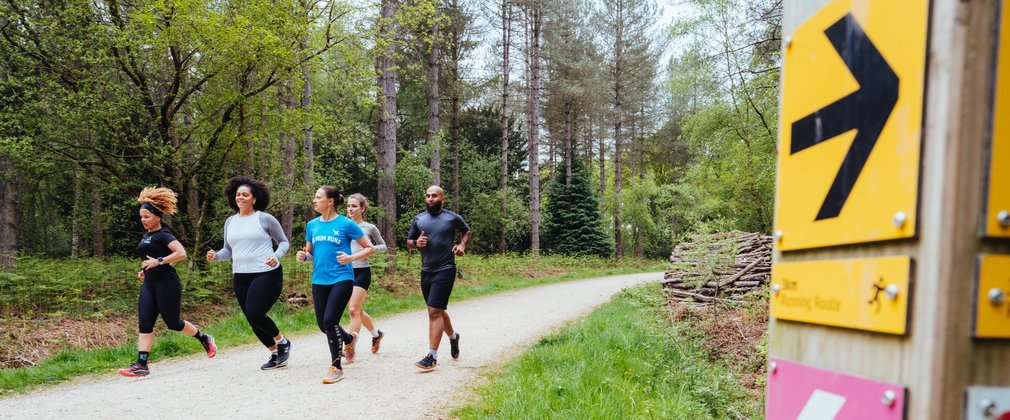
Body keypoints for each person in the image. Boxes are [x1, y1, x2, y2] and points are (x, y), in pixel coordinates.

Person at [119, 187, 217, 377]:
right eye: (141, 216)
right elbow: (149, 258)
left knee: (173, 323)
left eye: (146, 216)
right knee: (145, 323)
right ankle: (141, 364)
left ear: (157, 217)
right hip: (149, 284)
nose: (143, 220)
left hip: (167, 284)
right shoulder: (146, 236)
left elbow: (181, 253)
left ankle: (204, 338)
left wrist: (159, 261)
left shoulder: (164, 234)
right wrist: (144, 271)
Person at [206, 176, 292, 370]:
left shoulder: (264, 218)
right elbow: (228, 250)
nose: (241, 198)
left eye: (245, 195)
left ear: (254, 198)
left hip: (266, 273)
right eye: (238, 195)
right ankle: (274, 353)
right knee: (252, 318)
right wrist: (216, 256)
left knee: (255, 312)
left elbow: (284, 242)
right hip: (241, 276)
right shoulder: (230, 222)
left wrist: (276, 256)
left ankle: (282, 341)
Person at [297, 186, 375, 383]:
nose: (314, 200)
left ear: (330, 201)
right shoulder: (312, 225)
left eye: (318, 197)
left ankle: (336, 366)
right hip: (319, 279)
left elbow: (369, 248)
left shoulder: (346, 224)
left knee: (330, 320)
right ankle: (349, 339)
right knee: (323, 325)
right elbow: (310, 254)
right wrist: (303, 256)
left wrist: (351, 257)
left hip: (342, 278)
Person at [405, 185, 471, 371]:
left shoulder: (451, 218)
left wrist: (462, 245)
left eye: (434, 195)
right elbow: (409, 241)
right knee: (438, 310)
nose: (430, 198)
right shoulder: (419, 219)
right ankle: (453, 337)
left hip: (446, 268)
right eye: (427, 196)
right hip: (426, 270)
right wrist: (416, 243)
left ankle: (431, 356)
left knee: (434, 311)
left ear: (443, 198)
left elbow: (465, 231)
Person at [344, 193, 387, 359]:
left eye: (354, 206)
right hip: (345, 272)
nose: (350, 209)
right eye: (348, 206)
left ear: (362, 209)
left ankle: (349, 346)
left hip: (362, 271)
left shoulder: (369, 227)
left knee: (353, 309)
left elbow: (383, 245)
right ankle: (376, 334)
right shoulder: (342, 225)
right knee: (359, 311)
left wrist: (369, 250)